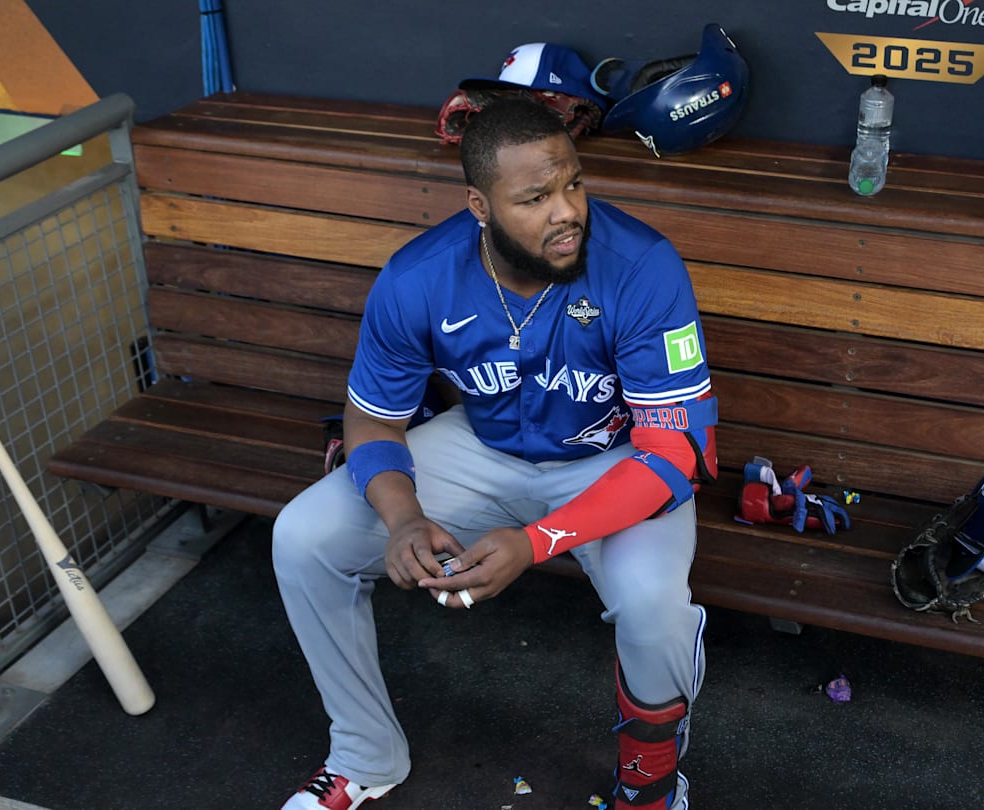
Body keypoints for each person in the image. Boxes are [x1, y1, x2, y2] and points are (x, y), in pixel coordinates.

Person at [273, 97, 717, 810]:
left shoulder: (641, 266)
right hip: (483, 447)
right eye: (535, 198)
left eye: (572, 183)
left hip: (616, 458)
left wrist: (536, 543)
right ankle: (365, 754)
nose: (566, 211)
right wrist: (404, 520)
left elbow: (671, 457)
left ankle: (651, 782)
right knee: (302, 537)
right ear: (479, 204)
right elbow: (371, 421)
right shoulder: (419, 277)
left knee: (651, 603)